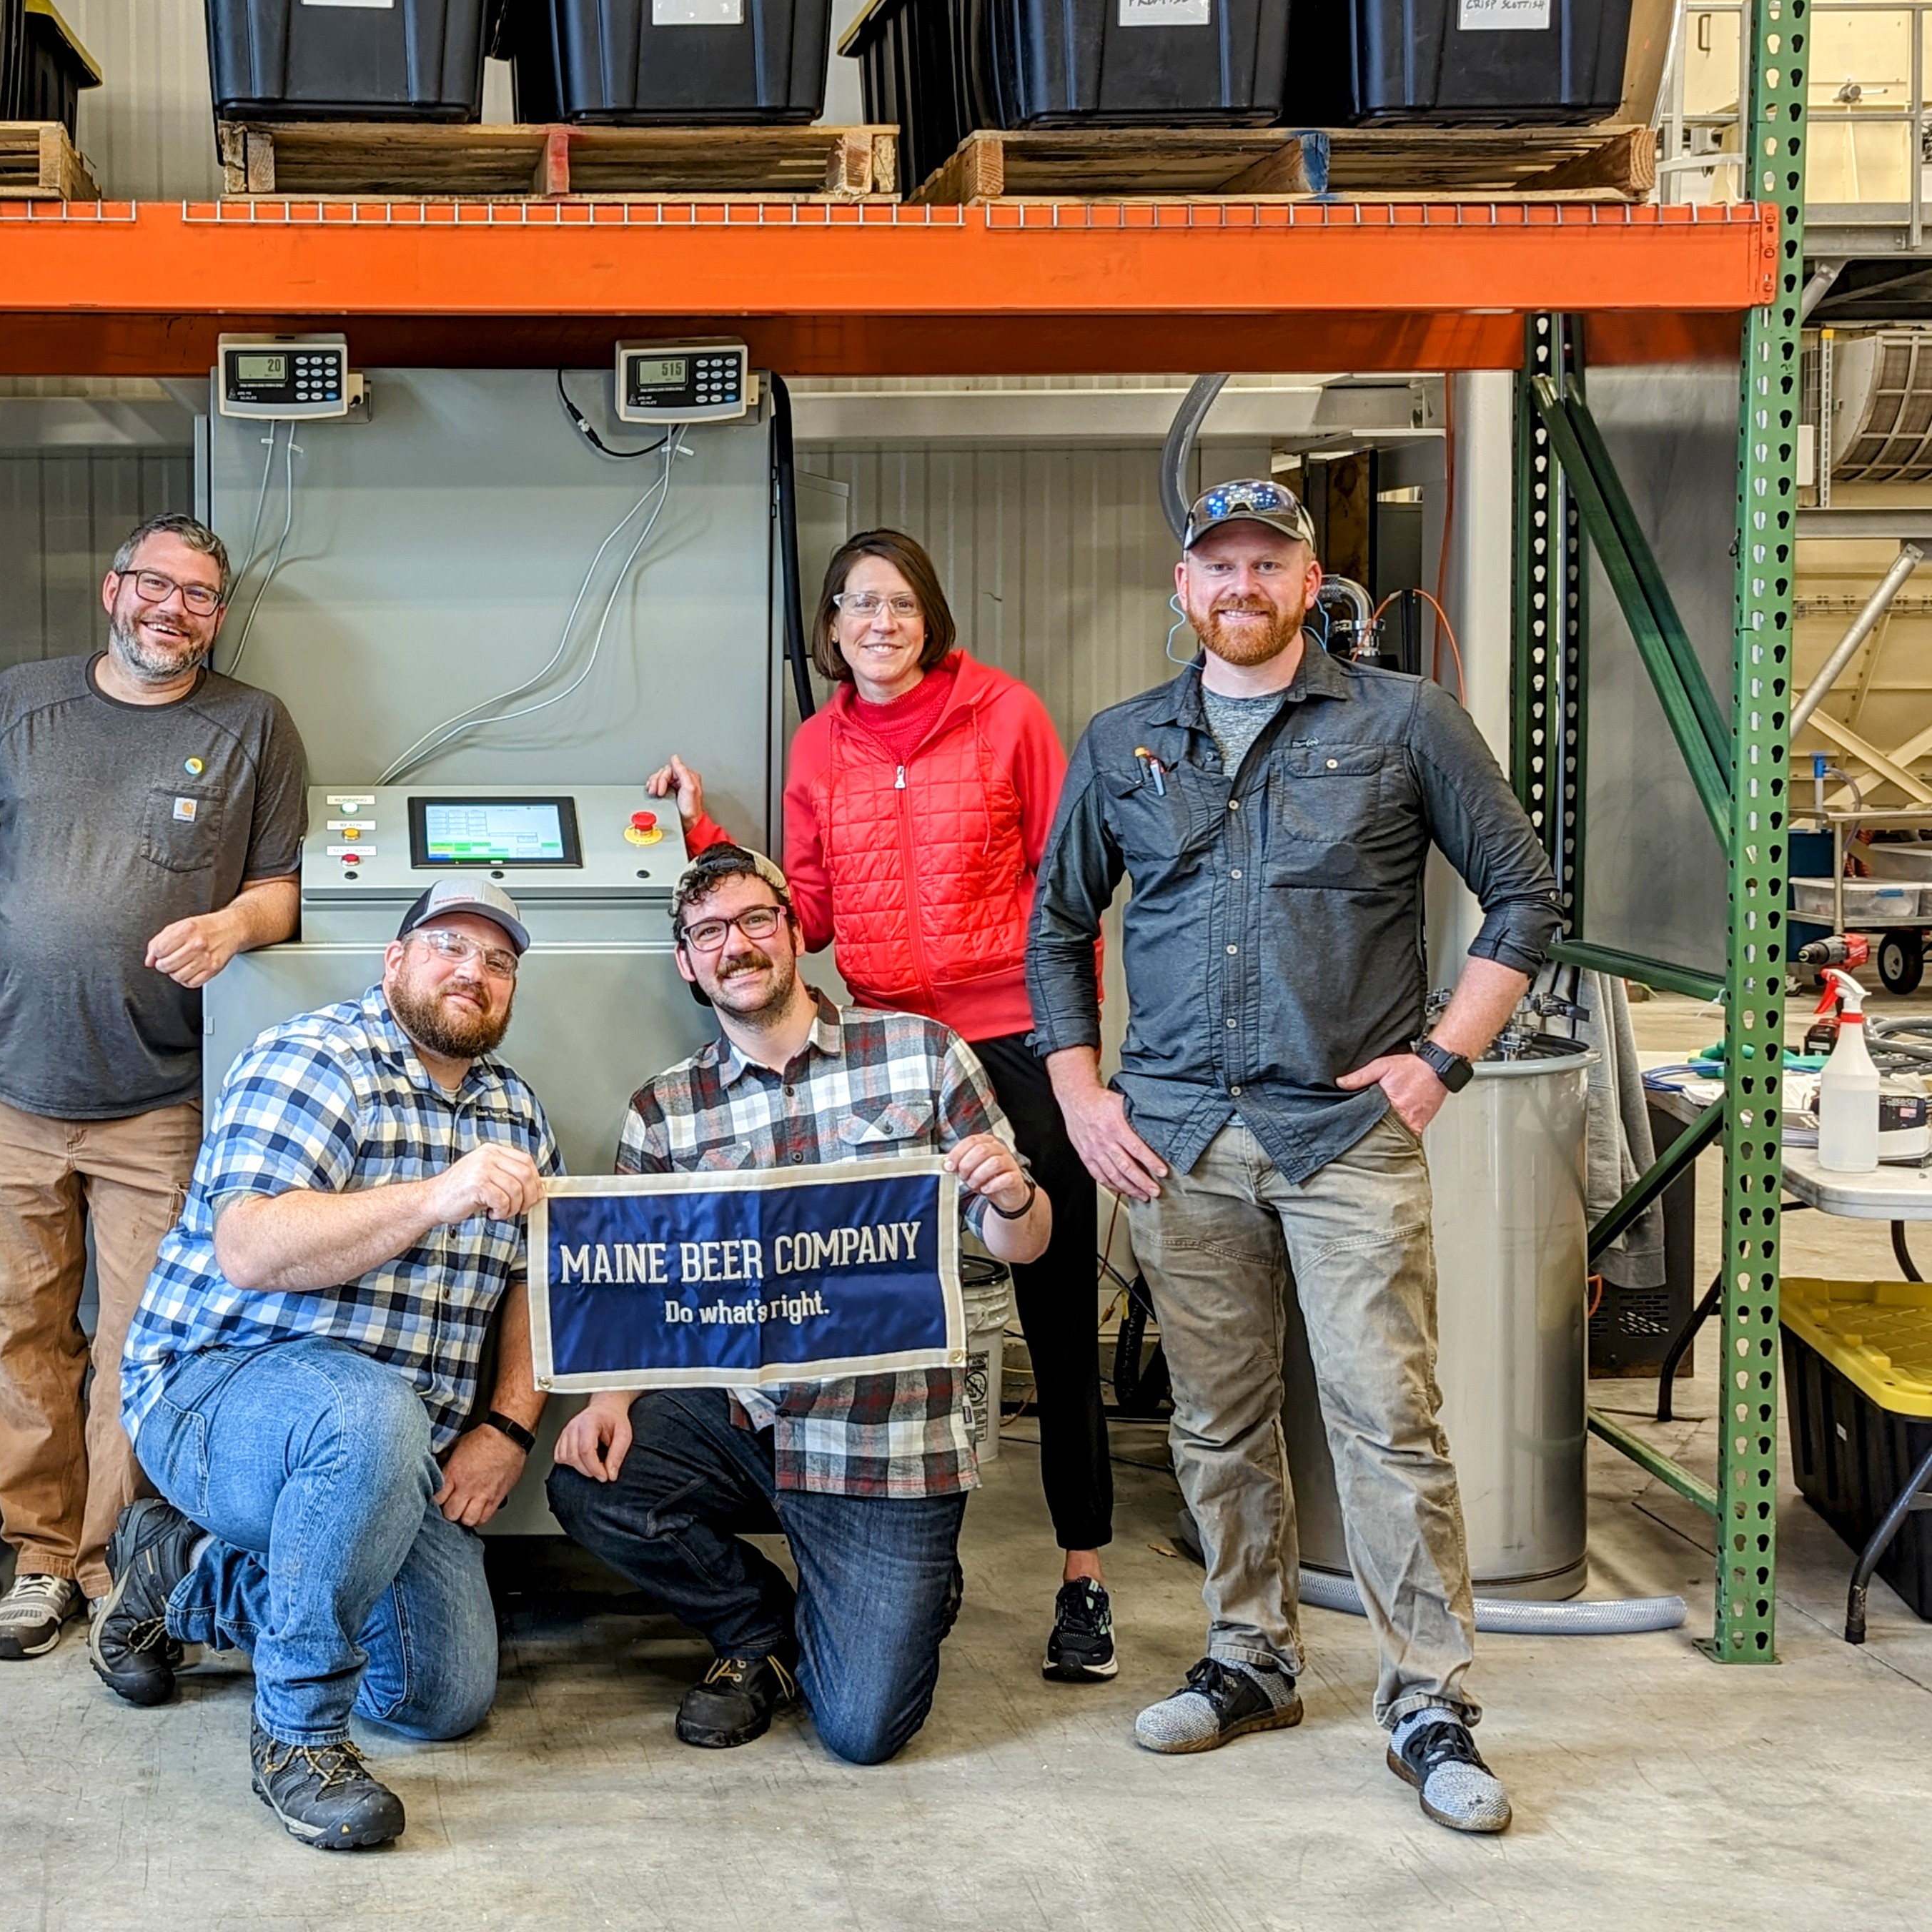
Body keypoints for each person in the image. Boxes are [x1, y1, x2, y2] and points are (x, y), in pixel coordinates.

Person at [1026, 479, 1563, 1837]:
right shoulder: (1125, 743)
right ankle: (1253, 1655)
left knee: (1388, 1420)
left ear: (1308, 578)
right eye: (1220, 564)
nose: (1243, 584)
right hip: (1179, 1141)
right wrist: (1083, 1093)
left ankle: (1428, 1698)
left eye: (1269, 561)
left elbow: (1524, 889)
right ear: (1182, 587)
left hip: (1343, 1140)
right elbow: (1056, 929)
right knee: (1213, 1421)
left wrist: (1442, 1059)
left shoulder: (1402, 720)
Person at [648, 527, 1119, 1685]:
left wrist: (1075, 1057)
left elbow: (1066, 889)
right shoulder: (818, 747)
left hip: (1012, 1031)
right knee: (881, 1298)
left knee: (1057, 1308)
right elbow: (798, 908)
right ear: (832, 628)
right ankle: (906, 1541)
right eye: (858, 605)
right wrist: (705, 836)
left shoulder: (1007, 714)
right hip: (890, 1048)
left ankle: (1085, 1577)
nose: (881, 623)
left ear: (931, 616)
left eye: (902, 602)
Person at [547, 843, 1049, 1766]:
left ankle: (906, 1579)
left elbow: (1026, 1240)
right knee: (588, 1482)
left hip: (885, 1438)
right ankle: (763, 1628)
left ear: (793, 930)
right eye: (708, 934)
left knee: (859, 1731)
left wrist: (1014, 1196)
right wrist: (609, 1402)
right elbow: (635, 1286)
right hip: (750, 1418)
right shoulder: (663, 1112)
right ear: (688, 964)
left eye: (753, 921)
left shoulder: (924, 1055)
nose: (734, 946)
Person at [85, 881, 558, 1853]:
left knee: (438, 1696)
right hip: (214, 1391)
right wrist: (436, 1196)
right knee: (368, 1410)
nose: (474, 971)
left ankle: (179, 1572)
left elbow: (533, 1286)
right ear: (393, 962)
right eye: (448, 947)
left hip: (398, 1449)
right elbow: (252, 1248)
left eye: (499, 961)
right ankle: (297, 1741)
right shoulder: (319, 1058)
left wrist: (509, 1423)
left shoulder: (518, 1114)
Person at [0, 512, 308, 1663]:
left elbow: (285, 892)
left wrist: (236, 922)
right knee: (24, 1334)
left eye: (198, 596)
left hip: (161, 1097)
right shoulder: (21, 705)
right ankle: (41, 1561)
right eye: (155, 586)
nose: (171, 611)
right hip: (14, 1091)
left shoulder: (252, 726)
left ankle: (116, 1566)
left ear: (217, 616)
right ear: (111, 589)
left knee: (144, 1347)